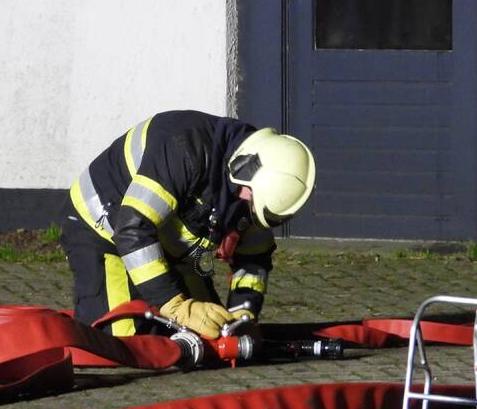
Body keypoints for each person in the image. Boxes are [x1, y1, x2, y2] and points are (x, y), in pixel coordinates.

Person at [60, 110, 316, 339]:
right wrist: (175, 306)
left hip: (167, 245)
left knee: (214, 332)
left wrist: (243, 314)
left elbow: (254, 257)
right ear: (243, 171)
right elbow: (132, 230)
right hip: (102, 229)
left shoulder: (255, 188)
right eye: (250, 202)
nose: (248, 211)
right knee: (122, 342)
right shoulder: (184, 149)